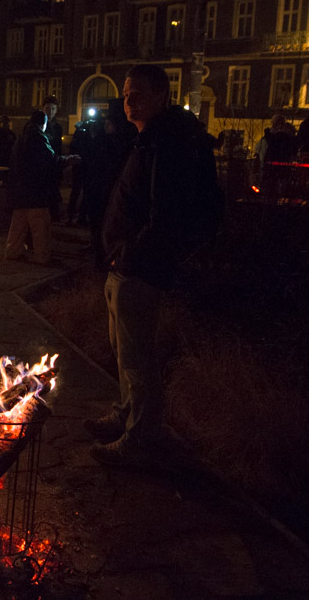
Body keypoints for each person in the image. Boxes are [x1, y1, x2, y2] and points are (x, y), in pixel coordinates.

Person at [86, 64, 219, 464]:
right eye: (126, 94)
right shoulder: (149, 138)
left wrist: (129, 254)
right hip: (125, 266)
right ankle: (127, 413)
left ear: (161, 95)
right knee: (123, 350)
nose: (129, 102)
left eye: (138, 94)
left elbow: (166, 217)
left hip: (140, 270)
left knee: (137, 356)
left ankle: (140, 438)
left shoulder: (168, 144)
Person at [4, 110, 77, 264]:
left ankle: (12, 252)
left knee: (18, 227)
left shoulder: (21, 138)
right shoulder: (38, 138)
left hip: (19, 192)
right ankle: (42, 256)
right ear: (42, 123)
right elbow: (50, 161)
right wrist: (67, 160)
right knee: (40, 227)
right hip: (36, 192)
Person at [84, 101, 133, 270]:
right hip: (108, 194)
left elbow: (93, 166)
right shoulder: (129, 143)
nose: (106, 127)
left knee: (102, 229)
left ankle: (103, 261)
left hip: (103, 194)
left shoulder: (106, 143)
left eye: (108, 124)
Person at [41, 95, 65, 221]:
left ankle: (53, 215)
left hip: (53, 165)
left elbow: (58, 148)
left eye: (53, 109)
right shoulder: (37, 125)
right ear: (43, 109)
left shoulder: (57, 128)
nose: (50, 112)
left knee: (54, 191)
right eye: (47, 108)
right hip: (41, 167)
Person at [0, 116, 15, 185]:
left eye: (7, 123)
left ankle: (5, 181)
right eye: (4, 123)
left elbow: (13, 143)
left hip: (7, 156)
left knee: (6, 170)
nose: (6, 125)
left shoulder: (11, 133)